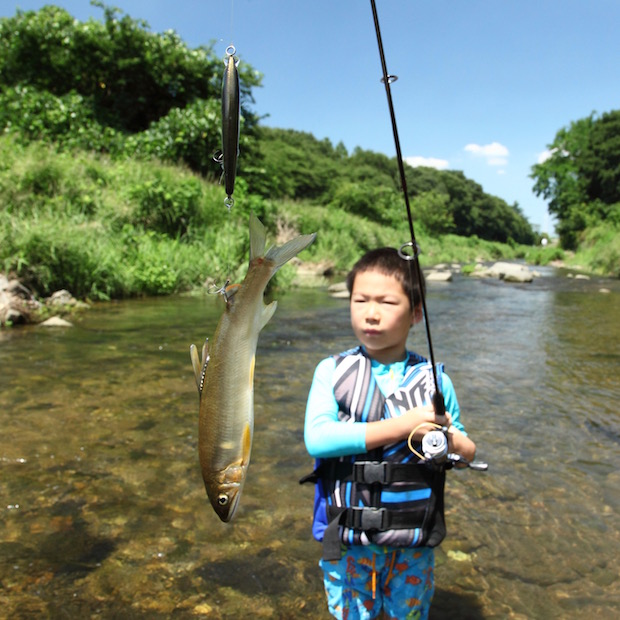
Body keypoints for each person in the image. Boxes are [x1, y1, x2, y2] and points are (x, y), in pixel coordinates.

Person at [302, 248, 477, 620]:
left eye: (386, 302)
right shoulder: (330, 372)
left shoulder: (436, 381)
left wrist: (449, 442)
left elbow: (467, 450)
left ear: (416, 314)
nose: (371, 313)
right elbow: (317, 439)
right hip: (350, 545)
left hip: (413, 542)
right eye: (360, 300)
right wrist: (403, 425)